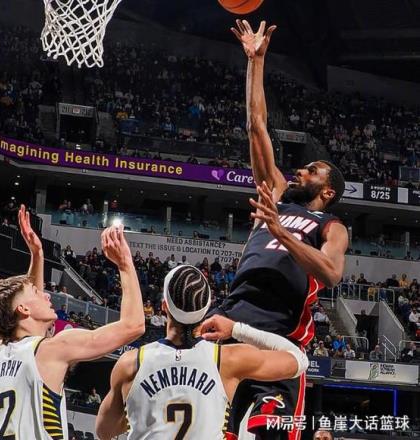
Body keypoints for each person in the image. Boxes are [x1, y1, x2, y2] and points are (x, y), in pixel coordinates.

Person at [207, 19, 348, 439]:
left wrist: (281, 233)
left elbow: (331, 273)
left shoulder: (332, 226)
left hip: (279, 340)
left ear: (328, 192)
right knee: (212, 430)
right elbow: (257, 125)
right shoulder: (279, 194)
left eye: (312, 170)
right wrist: (255, 62)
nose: (301, 170)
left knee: (272, 432)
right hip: (229, 322)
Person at [0, 205, 145, 440]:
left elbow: (25, 319)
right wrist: (125, 264)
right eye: (38, 293)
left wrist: (37, 255)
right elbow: (134, 325)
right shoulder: (53, 349)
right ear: (24, 309)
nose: (47, 296)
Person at [96, 265, 308, 440]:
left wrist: (146, 411)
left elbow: (104, 431)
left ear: (164, 306)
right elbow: (298, 359)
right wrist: (236, 329)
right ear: (207, 308)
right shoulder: (228, 360)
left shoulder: (130, 363)